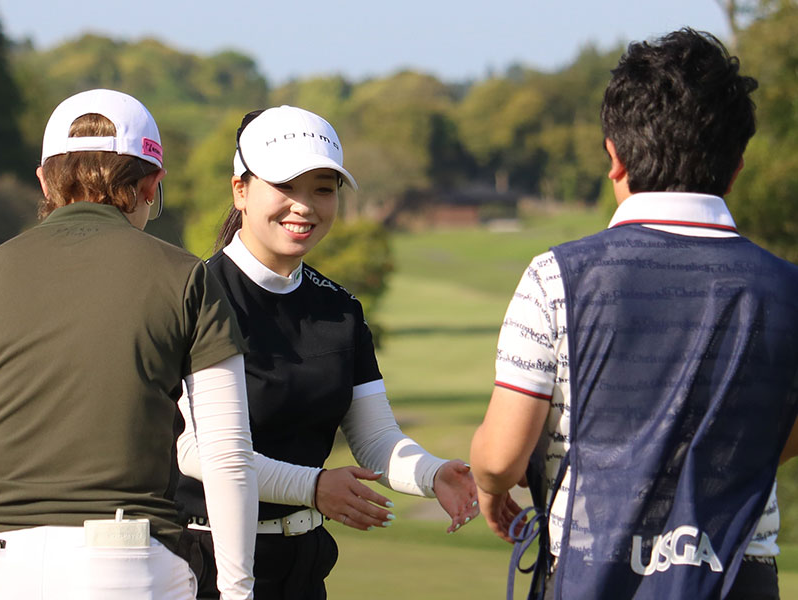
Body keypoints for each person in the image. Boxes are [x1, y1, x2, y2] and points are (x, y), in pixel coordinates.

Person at [469, 29, 798, 600]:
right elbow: (779, 436)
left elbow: (501, 457)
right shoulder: (789, 287)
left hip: (590, 569)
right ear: (738, 165)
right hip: (739, 574)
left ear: (614, 157)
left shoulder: (557, 276)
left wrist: (489, 486)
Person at [0, 89, 258, 600]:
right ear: (153, 184)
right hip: (125, 562)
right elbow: (227, 456)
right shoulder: (185, 276)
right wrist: (239, 591)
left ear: (43, 178)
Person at [174, 105, 481, 599]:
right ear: (241, 191)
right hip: (200, 566)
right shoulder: (193, 296)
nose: (304, 206)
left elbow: (376, 438)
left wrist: (433, 472)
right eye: (285, 186)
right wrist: (313, 487)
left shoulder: (340, 310)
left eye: (322, 188)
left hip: (303, 566)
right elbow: (196, 454)